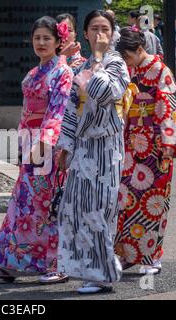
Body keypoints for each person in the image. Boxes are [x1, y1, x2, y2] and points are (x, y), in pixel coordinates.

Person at [0, 16, 73, 284]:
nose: (41, 43)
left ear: (58, 42)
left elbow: (58, 111)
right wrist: (23, 145)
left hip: (49, 146)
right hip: (31, 143)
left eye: (47, 38)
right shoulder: (34, 73)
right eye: (37, 38)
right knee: (23, 205)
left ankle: (58, 264)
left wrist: (43, 144)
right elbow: (25, 113)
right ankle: (11, 262)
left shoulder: (63, 72)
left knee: (49, 206)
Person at [56, 10, 130, 294]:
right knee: (77, 208)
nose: (100, 34)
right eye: (94, 29)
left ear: (112, 34)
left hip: (106, 146)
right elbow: (73, 108)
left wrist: (99, 58)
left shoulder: (116, 64)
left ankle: (103, 274)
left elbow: (105, 93)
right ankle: (91, 268)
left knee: (99, 208)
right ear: (85, 33)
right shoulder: (82, 66)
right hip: (84, 146)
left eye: (105, 29)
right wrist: (66, 145)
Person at [114, 27, 176, 276]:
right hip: (132, 146)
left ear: (139, 49)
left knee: (153, 203)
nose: (126, 62)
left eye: (127, 56)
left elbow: (168, 107)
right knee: (128, 201)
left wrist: (167, 144)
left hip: (155, 147)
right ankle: (128, 255)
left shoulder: (160, 70)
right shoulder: (132, 71)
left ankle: (153, 257)